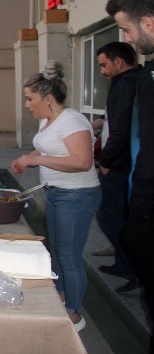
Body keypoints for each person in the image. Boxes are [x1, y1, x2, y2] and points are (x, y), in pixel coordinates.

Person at [11, 60, 101, 332]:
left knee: (69, 256)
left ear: (47, 98)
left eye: (30, 99)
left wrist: (38, 161)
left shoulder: (71, 120)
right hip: (57, 194)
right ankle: (61, 298)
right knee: (57, 251)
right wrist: (29, 158)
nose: (27, 105)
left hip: (76, 196)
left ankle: (74, 315)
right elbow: (51, 154)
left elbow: (82, 161)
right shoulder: (47, 120)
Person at [106, 0, 154, 349]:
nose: (127, 37)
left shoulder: (140, 79)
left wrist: (140, 205)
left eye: (127, 28)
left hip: (147, 195)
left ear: (148, 24)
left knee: (132, 235)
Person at [93, 41, 140, 293]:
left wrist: (107, 163)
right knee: (116, 217)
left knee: (111, 216)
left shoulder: (126, 84)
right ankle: (123, 264)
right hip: (123, 162)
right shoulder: (128, 83)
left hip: (120, 165)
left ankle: (134, 268)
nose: (101, 71)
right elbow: (113, 119)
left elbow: (121, 129)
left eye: (103, 65)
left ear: (118, 62)